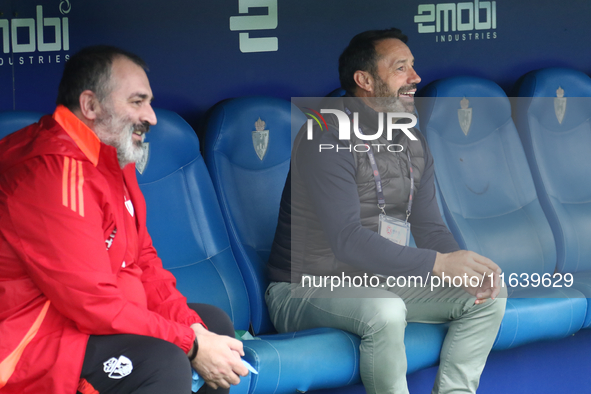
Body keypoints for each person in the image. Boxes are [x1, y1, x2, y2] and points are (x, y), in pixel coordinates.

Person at [266, 28, 507, 394]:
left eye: (413, 66)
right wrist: (439, 265)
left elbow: (429, 227)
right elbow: (347, 240)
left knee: (488, 295)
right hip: (302, 288)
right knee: (386, 309)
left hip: (376, 279)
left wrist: (461, 263)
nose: (415, 78)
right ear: (364, 80)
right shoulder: (325, 137)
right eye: (401, 68)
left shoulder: (410, 138)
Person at [0, 45, 248, 394]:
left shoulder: (113, 158)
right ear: (89, 106)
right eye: (137, 102)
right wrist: (189, 345)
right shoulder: (53, 173)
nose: (152, 116)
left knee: (212, 325)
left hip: (82, 326)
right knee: (163, 360)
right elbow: (92, 303)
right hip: (34, 346)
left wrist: (195, 332)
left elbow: (143, 262)